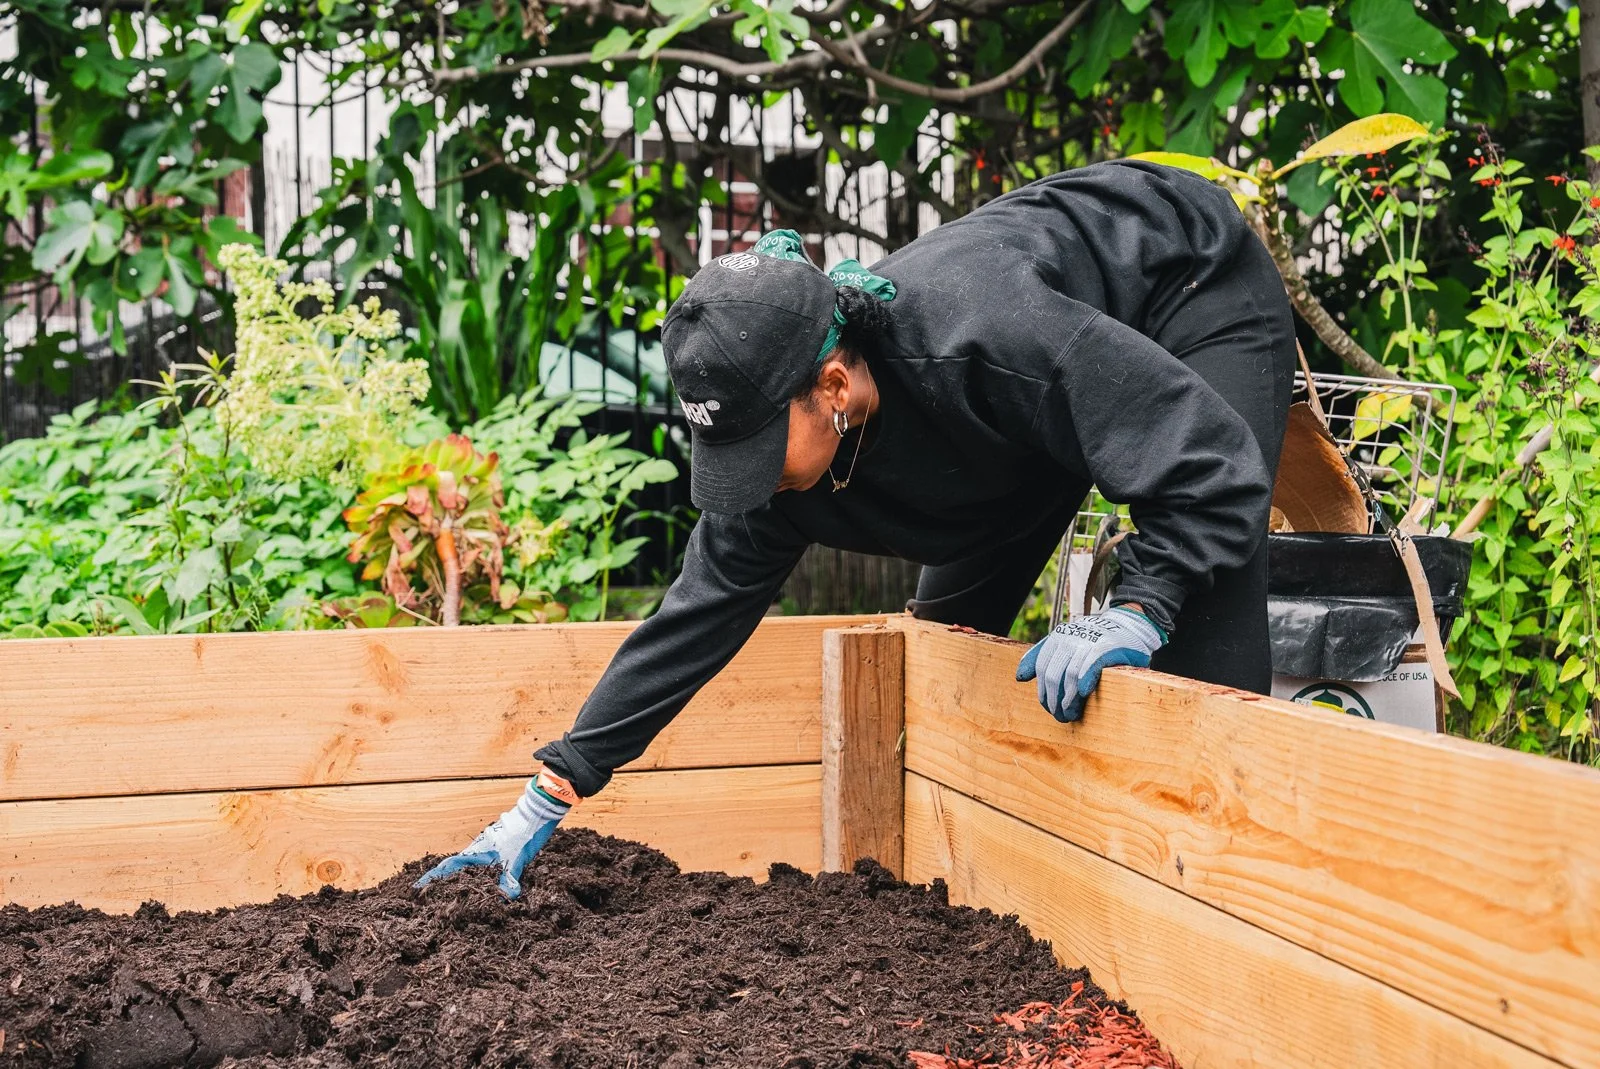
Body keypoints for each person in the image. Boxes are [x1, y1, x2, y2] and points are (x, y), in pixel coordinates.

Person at [416, 160, 1297, 900]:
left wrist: (1142, 602)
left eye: (763, 447)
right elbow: (691, 621)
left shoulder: (980, 338)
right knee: (947, 657)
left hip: (1183, 281)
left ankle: (1240, 910)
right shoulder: (785, 466)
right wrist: (544, 797)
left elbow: (1207, 462)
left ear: (834, 387)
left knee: (1201, 634)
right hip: (1030, 408)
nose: (752, 481)